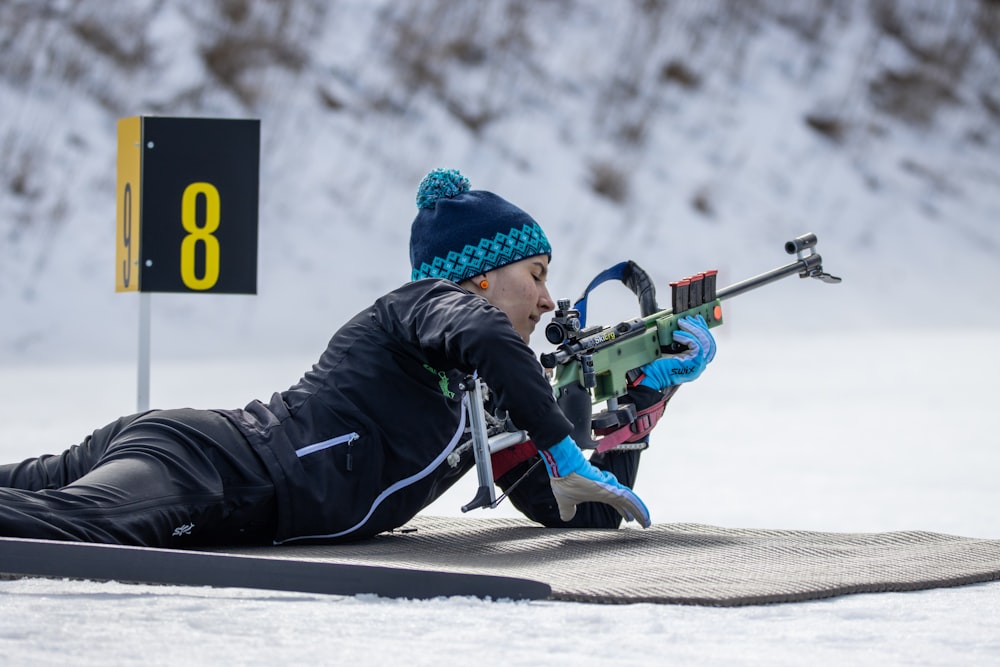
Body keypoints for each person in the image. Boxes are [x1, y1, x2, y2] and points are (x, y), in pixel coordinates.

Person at [0, 168, 716, 548]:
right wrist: (565, 443)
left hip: (195, 454)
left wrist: (645, 403)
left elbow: (578, 516)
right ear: (475, 279)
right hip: (209, 465)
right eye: (536, 274)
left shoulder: (484, 396)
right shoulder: (413, 308)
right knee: (71, 527)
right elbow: (488, 338)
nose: (549, 298)